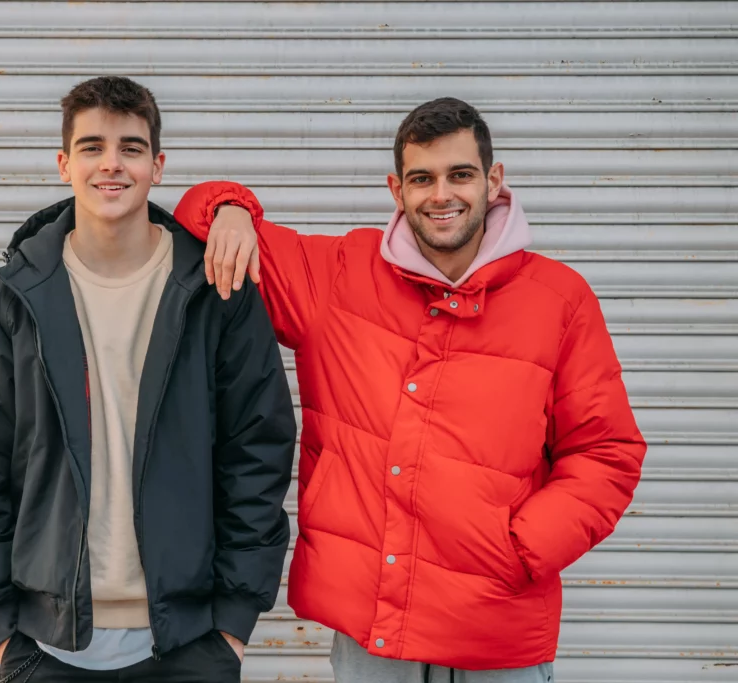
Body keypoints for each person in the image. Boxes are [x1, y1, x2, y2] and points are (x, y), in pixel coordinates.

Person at [173, 97, 647, 683]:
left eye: (460, 175)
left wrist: (520, 548)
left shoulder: (559, 299)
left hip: (495, 631)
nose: (441, 195)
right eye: (422, 179)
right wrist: (231, 210)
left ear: (494, 181)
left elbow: (608, 454)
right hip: (373, 630)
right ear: (397, 191)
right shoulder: (342, 275)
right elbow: (194, 213)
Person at [0, 76, 296, 683]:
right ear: (63, 164)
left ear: (158, 167)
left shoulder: (215, 292)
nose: (112, 164)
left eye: (131, 148)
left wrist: (232, 624)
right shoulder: (15, 302)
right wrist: (0, 630)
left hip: (187, 644)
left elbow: (257, 451)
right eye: (92, 147)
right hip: (46, 645)